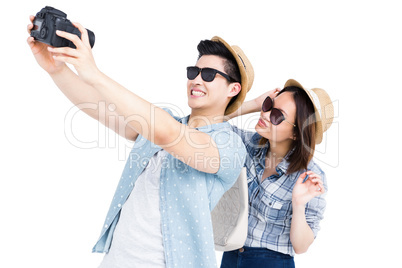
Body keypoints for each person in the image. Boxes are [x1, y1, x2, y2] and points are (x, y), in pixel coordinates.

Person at [27, 16, 255, 267]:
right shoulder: (164, 120)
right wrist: (56, 68)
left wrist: (94, 73)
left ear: (233, 89)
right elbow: (99, 107)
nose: (196, 80)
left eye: (209, 74)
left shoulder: (230, 146)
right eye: (194, 71)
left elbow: (169, 136)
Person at [221, 79, 334, 268]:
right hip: (231, 254)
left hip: (271, 262)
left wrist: (298, 204)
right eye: (268, 105)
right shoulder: (250, 145)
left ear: (296, 133)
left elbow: (301, 246)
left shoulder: (310, 177)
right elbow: (207, 124)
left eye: (276, 115)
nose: (265, 114)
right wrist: (253, 104)